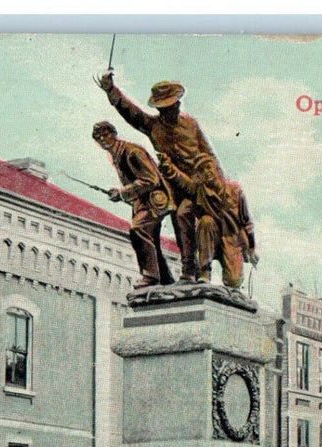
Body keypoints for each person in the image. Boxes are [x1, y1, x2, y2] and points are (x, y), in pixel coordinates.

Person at [98, 73, 220, 283]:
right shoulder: (153, 126)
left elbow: (209, 154)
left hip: (197, 185)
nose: (172, 109)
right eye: (166, 106)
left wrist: (217, 183)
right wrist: (111, 91)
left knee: (199, 223)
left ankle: (202, 271)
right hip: (172, 188)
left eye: (174, 104)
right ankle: (188, 271)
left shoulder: (191, 125)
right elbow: (131, 113)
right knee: (181, 221)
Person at [92, 121, 175, 287]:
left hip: (155, 201)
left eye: (105, 134)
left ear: (114, 134)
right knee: (152, 241)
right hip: (142, 203)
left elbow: (151, 180)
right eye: (98, 137)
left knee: (139, 230)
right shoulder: (116, 155)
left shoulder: (131, 152)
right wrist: (121, 195)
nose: (102, 139)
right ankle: (165, 280)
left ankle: (151, 276)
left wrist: (122, 193)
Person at [159, 153, 258, 288]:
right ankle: (205, 272)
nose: (207, 172)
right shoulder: (201, 190)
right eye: (202, 171)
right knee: (206, 221)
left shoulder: (235, 190)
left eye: (208, 168)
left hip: (232, 240)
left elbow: (247, 222)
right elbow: (184, 182)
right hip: (211, 238)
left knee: (233, 281)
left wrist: (251, 248)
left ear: (216, 170)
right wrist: (169, 168)